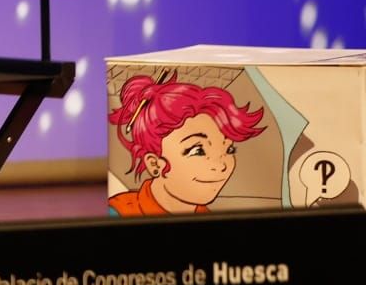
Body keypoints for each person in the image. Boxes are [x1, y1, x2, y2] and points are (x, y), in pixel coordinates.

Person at [106, 72, 266, 216]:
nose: (221, 165)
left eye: (229, 149)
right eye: (198, 150)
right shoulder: (118, 214)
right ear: (155, 164)